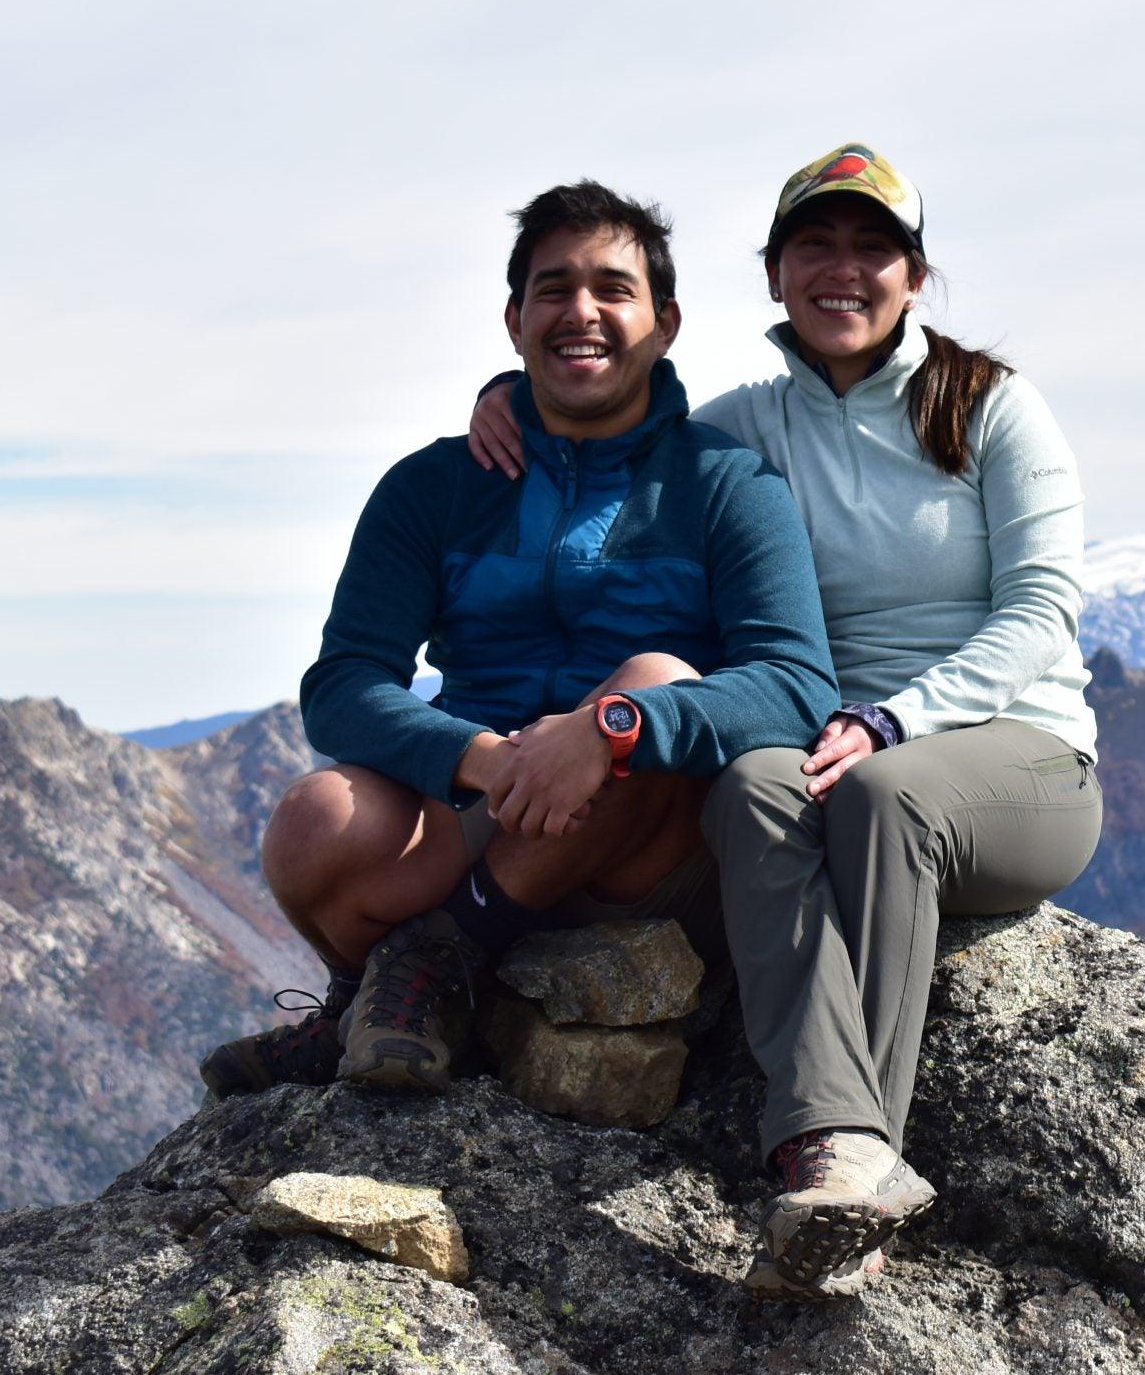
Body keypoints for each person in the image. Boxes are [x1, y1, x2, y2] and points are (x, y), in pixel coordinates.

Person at [466, 143, 1101, 1294]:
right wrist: (513, 399)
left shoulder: (991, 409)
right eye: (816, 244)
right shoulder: (748, 429)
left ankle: (861, 1178)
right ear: (774, 273)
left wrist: (897, 718)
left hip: (1021, 760)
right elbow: (613, 439)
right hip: (835, 748)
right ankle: (828, 1150)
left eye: (873, 248)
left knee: (882, 795)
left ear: (914, 277)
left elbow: (1043, 611)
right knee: (754, 785)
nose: (842, 269)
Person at [202, 181, 838, 1101]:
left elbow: (797, 683)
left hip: (644, 844)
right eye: (553, 288)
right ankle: (414, 992)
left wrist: (612, 729)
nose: (581, 310)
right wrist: (480, 757)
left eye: (613, 288)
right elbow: (343, 683)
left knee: (657, 677)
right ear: (514, 321)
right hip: (485, 802)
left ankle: (427, 966)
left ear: (665, 323)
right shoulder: (432, 486)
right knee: (313, 821)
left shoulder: (727, 485)